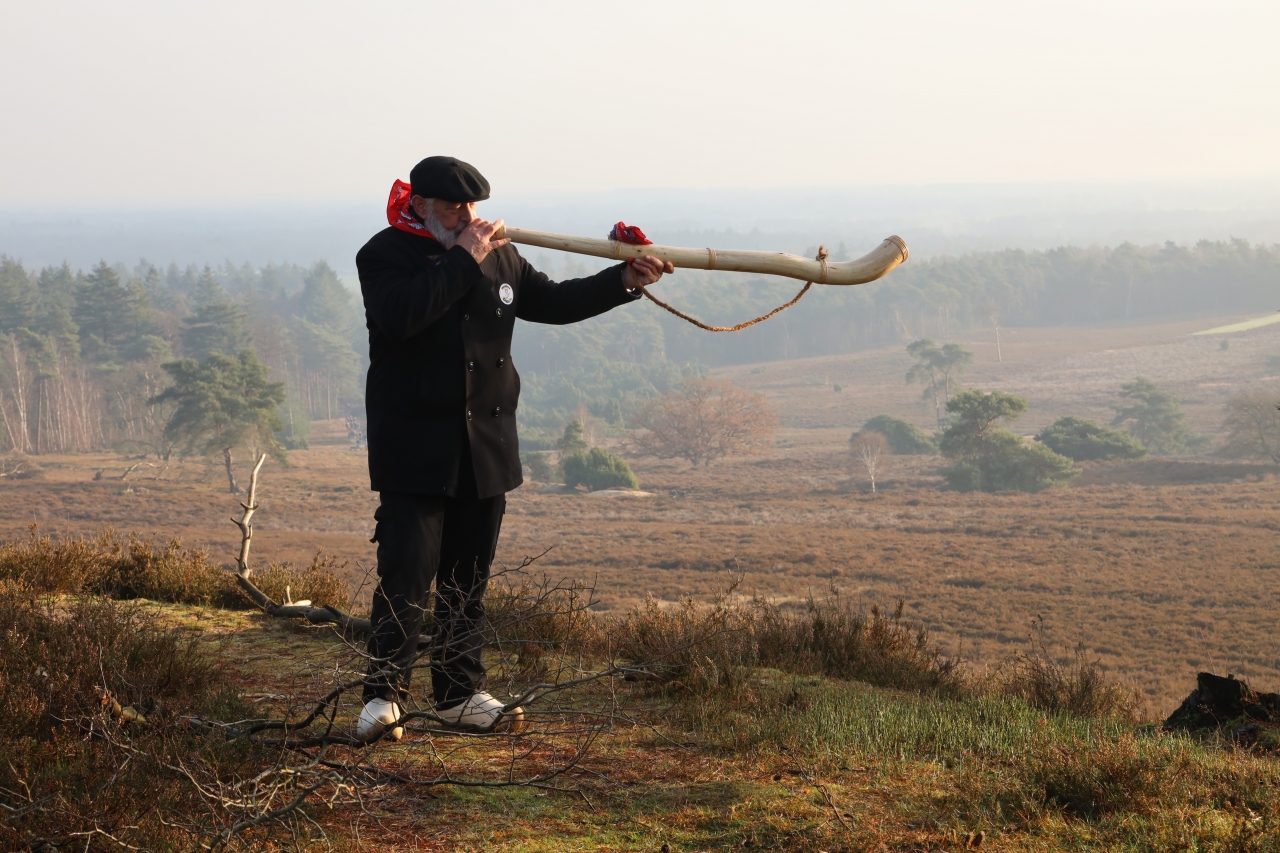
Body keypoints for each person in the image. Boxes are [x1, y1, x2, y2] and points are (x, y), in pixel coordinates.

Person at [354, 156, 672, 740]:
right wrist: (459, 259)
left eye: (473, 206)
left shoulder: (500, 253)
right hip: (416, 448)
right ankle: (382, 697)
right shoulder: (384, 255)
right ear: (421, 204)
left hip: (486, 445)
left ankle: (458, 694)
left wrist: (624, 281)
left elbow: (550, 302)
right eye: (453, 207)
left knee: (467, 577)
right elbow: (402, 317)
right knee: (406, 574)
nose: (468, 216)